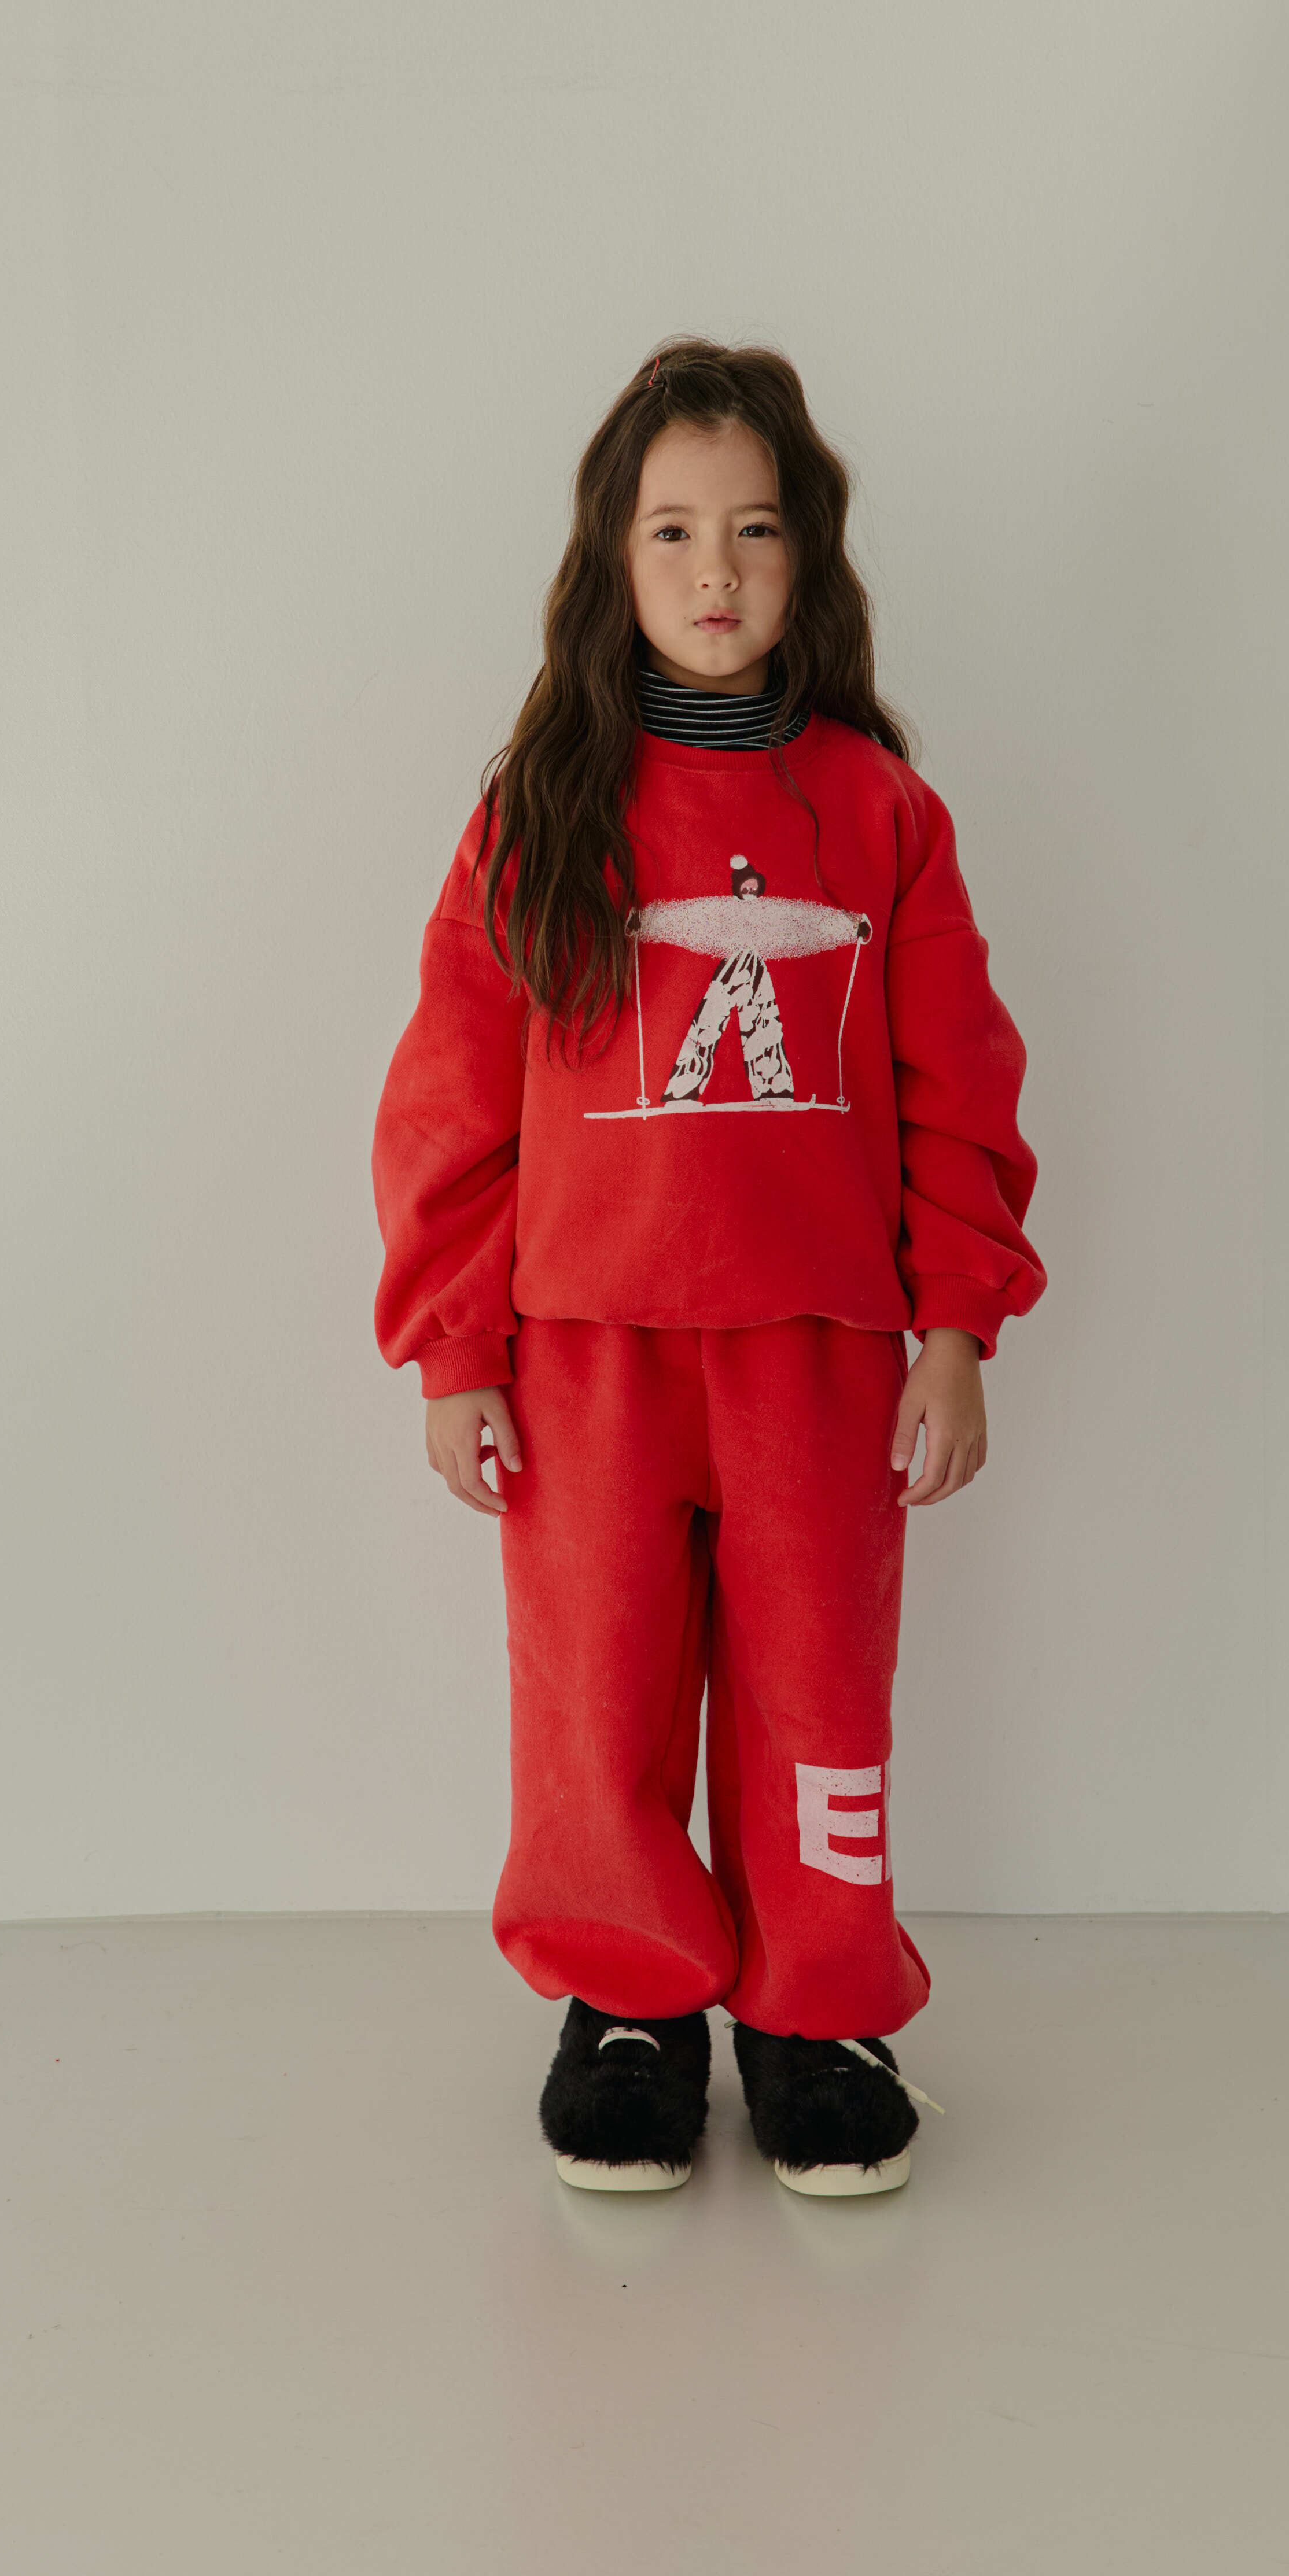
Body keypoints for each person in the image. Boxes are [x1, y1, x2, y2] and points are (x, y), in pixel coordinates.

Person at [369, 340, 1045, 2198]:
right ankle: (630, 2004)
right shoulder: (540, 811)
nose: (716, 568)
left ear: (807, 556)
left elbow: (958, 1083)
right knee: (595, 1690)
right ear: (614, 557)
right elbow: (451, 1096)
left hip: (819, 1348)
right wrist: (454, 1346)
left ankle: (818, 2011)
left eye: (754, 528)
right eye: (672, 530)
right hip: (585, 1352)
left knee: (818, 1686)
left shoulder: (881, 813)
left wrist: (957, 1325)